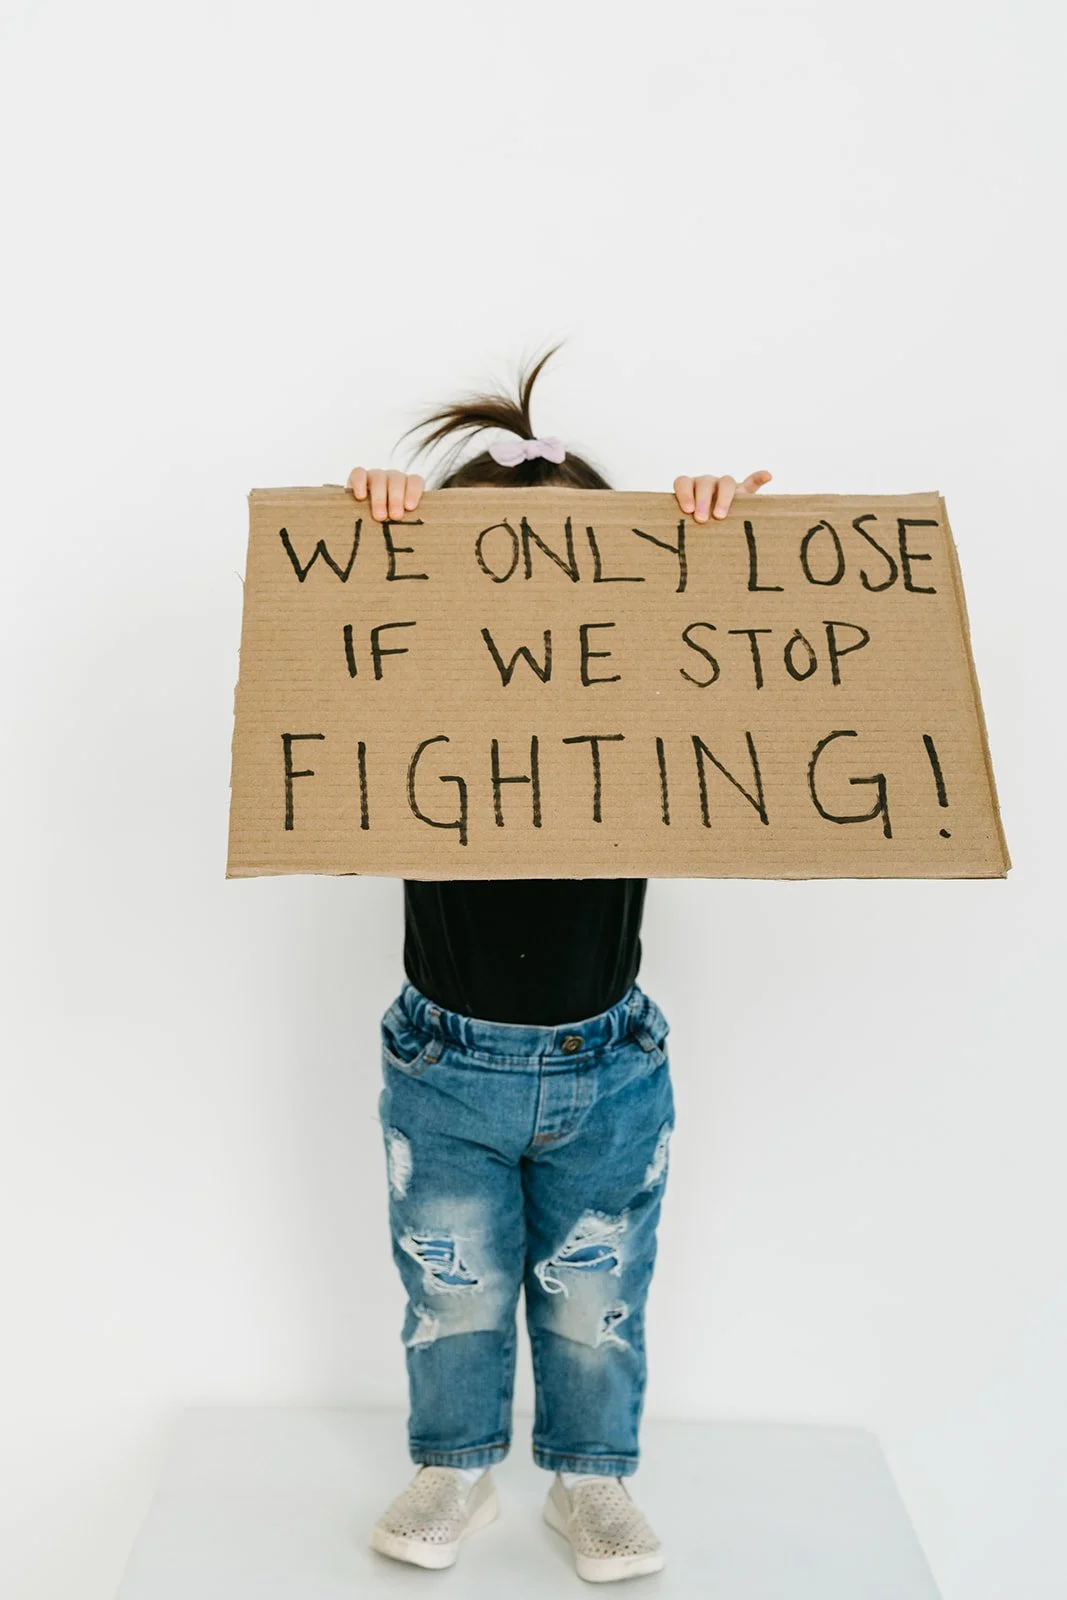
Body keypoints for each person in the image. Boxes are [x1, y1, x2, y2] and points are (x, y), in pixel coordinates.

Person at [347, 343, 772, 1582]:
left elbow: (726, 670)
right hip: (443, 1065)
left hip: (609, 1064)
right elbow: (347, 646)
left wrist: (709, 545)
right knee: (452, 1289)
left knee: (597, 1295)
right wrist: (377, 531)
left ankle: (589, 1478)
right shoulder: (423, 689)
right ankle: (456, 1463)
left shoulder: (636, 694)